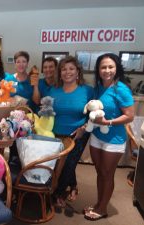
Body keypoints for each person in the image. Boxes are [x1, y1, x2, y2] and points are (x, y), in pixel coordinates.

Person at [84, 53, 134, 221]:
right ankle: (99, 203)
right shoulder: (98, 87)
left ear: (117, 68)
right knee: (100, 172)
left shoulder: (121, 89)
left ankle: (103, 208)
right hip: (97, 137)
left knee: (107, 173)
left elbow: (129, 116)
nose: (107, 70)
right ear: (98, 70)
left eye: (110, 67)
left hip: (114, 140)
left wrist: (108, 123)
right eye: (103, 67)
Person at [49, 56, 94, 207]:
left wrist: (84, 128)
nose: (67, 72)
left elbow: (94, 114)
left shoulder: (87, 91)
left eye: (71, 69)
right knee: (59, 164)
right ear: (59, 72)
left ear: (77, 72)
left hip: (78, 134)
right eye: (63, 69)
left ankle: (58, 193)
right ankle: (73, 186)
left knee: (68, 164)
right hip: (55, 134)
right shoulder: (54, 89)